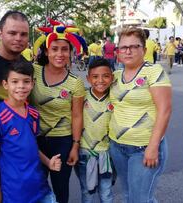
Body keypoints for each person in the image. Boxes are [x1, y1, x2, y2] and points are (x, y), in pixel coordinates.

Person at [109, 27, 172, 203]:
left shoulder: (154, 72)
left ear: (144, 50)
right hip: (117, 146)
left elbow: (164, 110)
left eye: (134, 46)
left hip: (143, 148)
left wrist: (152, 147)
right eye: (123, 47)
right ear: (118, 51)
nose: (128, 51)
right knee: (129, 195)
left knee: (141, 198)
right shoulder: (114, 76)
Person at [0, 60, 61, 203]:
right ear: (5, 84)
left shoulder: (33, 113)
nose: (21, 86)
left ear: (32, 83)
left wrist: (48, 162)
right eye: (15, 82)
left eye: (26, 81)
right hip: (14, 194)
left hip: (41, 189)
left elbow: (31, 146)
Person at [31, 19, 85, 203]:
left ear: (70, 52)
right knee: (36, 187)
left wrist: (75, 145)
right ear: (46, 51)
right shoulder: (33, 72)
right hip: (35, 141)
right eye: (54, 49)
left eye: (65, 49)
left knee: (61, 189)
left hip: (62, 141)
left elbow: (77, 115)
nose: (60, 54)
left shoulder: (75, 82)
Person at [75, 58, 114, 203]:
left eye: (106, 76)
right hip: (85, 153)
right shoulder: (82, 97)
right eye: (95, 77)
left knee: (106, 193)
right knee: (87, 192)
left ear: (112, 77)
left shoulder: (115, 98)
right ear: (88, 78)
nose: (100, 80)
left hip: (107, 155)